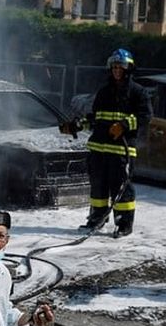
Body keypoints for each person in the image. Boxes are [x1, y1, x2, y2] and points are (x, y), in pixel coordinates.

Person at [61, 47, 152, 236]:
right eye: (114, 67)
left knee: (121, 188)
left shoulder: (138, 92)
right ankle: (96, 219)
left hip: (121, 151)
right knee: (98, 186)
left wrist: (124, 125)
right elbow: (96, 119)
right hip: (98, 150)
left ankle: (124, 224)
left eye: (121, 67)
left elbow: (146, 116)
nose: (117, 70)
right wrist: (77, 125)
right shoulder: (104, 92)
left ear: (128, 69)